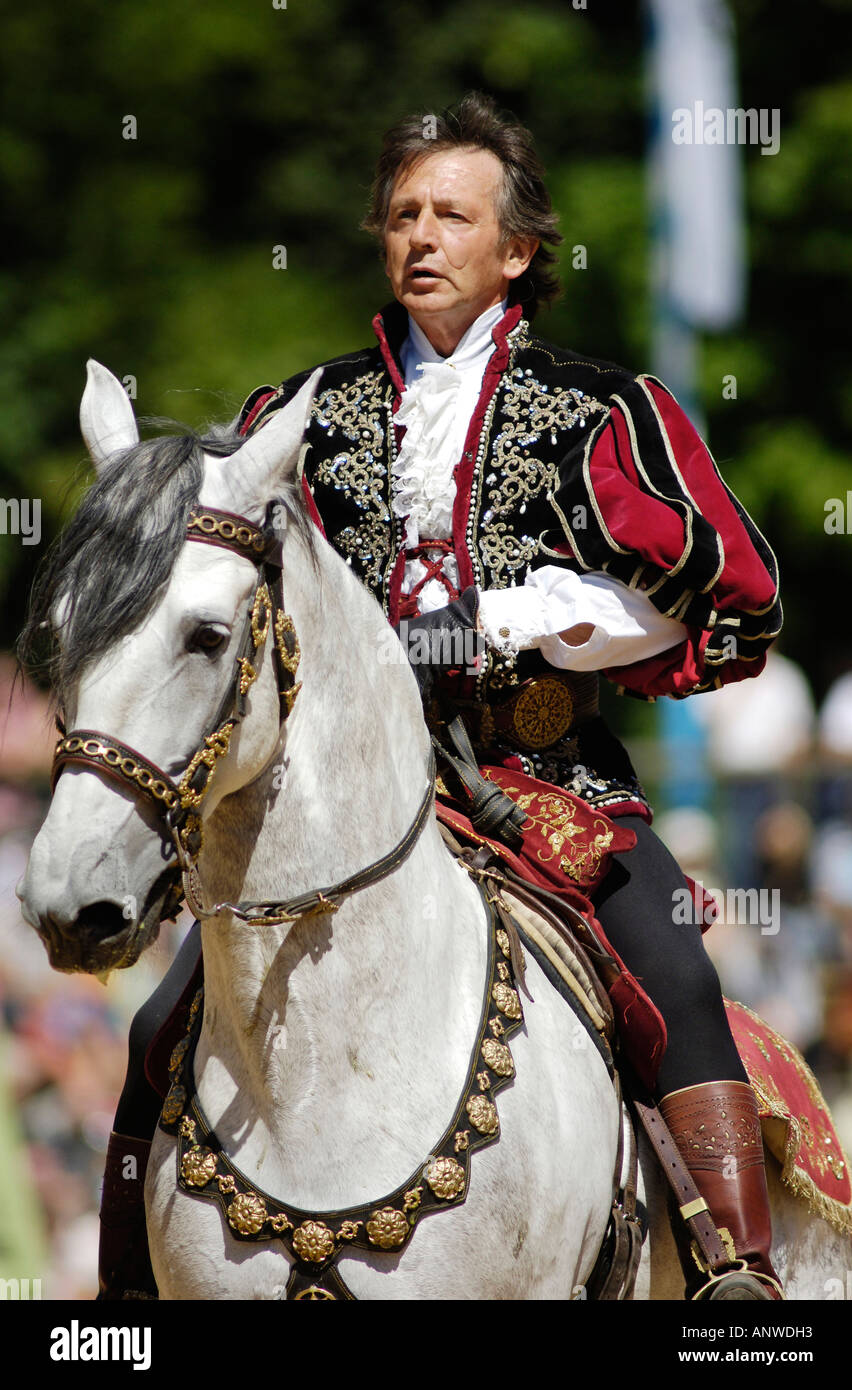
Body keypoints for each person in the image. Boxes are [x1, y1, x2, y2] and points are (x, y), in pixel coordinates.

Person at [101, 93, 784, 1300]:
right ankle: (120, 1307)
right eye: (402, 214)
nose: (420, 236)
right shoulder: (295, 418)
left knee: (670, 967)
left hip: (544, 783)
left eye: (451, 215)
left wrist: (507, 619)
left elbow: (715, 592)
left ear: (514, 250)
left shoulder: (602, 409)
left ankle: (738, 1279)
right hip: (329, 800)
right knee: (164, 1022)